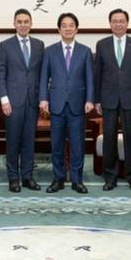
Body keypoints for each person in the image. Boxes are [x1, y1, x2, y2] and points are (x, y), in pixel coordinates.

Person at [39, 12, 94, 194]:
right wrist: (43, 98)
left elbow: (90, 78)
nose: (68, 28)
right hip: (56, 104)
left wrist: (90, 99)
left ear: (76, 29)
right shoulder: (50, 51)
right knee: (57, 145)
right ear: (59, 29)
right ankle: (59, 179)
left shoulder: (85, 51)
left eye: (71, 25)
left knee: (78, 145)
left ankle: (77, 180)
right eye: (64, 25)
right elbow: (44, 77)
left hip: (78, 104)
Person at [94, 8, 131, 192]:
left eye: (122, 21)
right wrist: (97, 100)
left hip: (130, 99)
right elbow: (97, 74)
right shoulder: (102, 44)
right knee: (109, 138)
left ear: (127, 23)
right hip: (108, 99)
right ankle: (110, 176)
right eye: (115, 21)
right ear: (110, 24)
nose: (118, 24)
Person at [0, 8, 45, 193]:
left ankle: (27, 177)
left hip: (33, 101)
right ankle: (13, 178)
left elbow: (42, 74)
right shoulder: (5, 45)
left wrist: (43, 98)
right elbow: (0, 75)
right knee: (13, 141)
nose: (23, 25)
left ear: (31, 24)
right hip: (12, 102)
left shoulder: (39, 45)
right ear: (14, 24)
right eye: (19, 22)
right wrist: (4, 99)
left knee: (29, 141)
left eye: (26, 21)